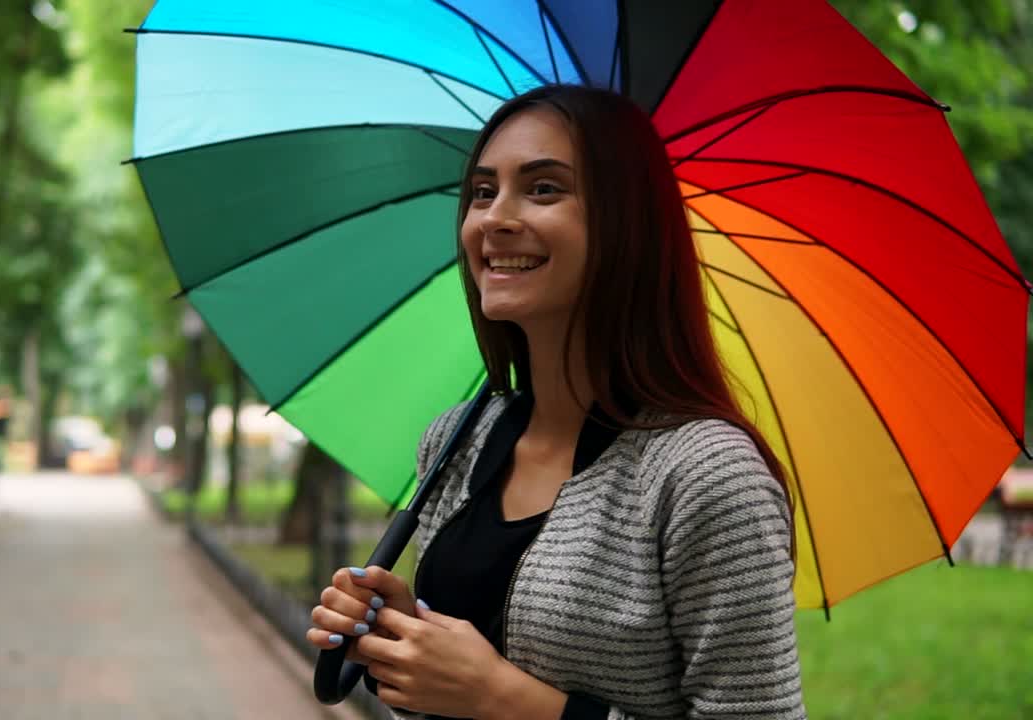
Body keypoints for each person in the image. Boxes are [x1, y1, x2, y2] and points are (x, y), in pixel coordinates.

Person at [306, 85, 805, 719]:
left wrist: (508, 700)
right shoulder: (456, 440)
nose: (494, 218)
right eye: (483, 192)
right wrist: (410, 644)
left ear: (626, 224)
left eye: (544, 189)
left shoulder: (704, 474)